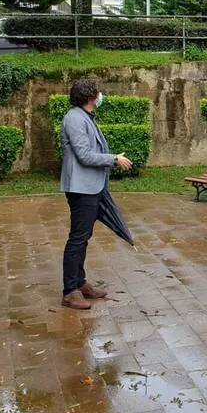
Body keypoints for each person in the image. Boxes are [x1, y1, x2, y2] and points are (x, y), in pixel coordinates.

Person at [60, 79, 132, 310]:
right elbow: (84, 155)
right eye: (98, 93)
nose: (101, 96)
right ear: (91, 97)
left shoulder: (84, 117)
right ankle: (70, 292)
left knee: (84, 238)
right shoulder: (74, 118)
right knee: (78, 239)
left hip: (91, 186)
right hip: (81, 189)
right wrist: (113, 159)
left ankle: (80, 284)